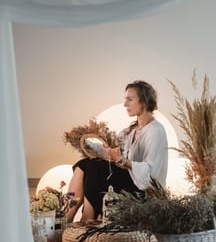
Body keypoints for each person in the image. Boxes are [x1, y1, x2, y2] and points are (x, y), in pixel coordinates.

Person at [66, 80, 168, 222]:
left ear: (144, 101)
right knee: (85, 164)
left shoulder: (156, 130)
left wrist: (121, 160)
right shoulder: (129, 131)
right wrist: (96, 148)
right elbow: (115, 157)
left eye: (130, 99)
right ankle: (67, 215)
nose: (125, 104)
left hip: (142, 191)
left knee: (93, 167)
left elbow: (151, 172)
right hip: (128, 181)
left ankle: (86, 216)